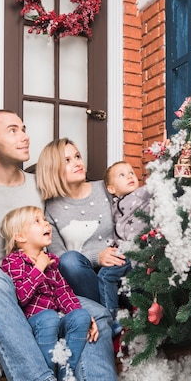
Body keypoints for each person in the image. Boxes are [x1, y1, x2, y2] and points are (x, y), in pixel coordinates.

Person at [0, 110, 157, 381]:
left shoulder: (37, 189)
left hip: (44, 287)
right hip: (5, 288)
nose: (25, 136)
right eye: (13, 130)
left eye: (24, 128)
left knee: (94, 311)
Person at [36, 138, 130, 336]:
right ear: (53, 169)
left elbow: (129, 217)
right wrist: (97, 256)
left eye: (77, 156)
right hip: (86, 284)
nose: (77, 162)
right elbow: (59, 258)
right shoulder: (51, 208)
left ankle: (121, 312)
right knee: (69, 260)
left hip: (120, 275)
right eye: (67, 160)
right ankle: (106, 317)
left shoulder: (105, 188)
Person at [0, 205, 98, 381]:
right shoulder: (13, 262)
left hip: (56, 319)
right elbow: (22, 297)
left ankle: (67, 375)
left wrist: (82, 316)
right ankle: (47, 380)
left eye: (44, 220)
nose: (46, 224)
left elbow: (64, 293)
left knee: (81, 315)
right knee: (48, 317)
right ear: (20, 237)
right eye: (37, 222)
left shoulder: (51, 261)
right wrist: (39, 267)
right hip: (34, 323)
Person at [101, 161, 152, 330]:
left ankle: (111, 318)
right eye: (121, 175)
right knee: (111, 278)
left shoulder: (141, 194)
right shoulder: (114, 205)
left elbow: (156, 187)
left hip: (139, 251)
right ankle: (120, 316)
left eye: (131, 172)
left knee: (105, 275)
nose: (129, 176)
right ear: (111, 189)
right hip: (127, 253)